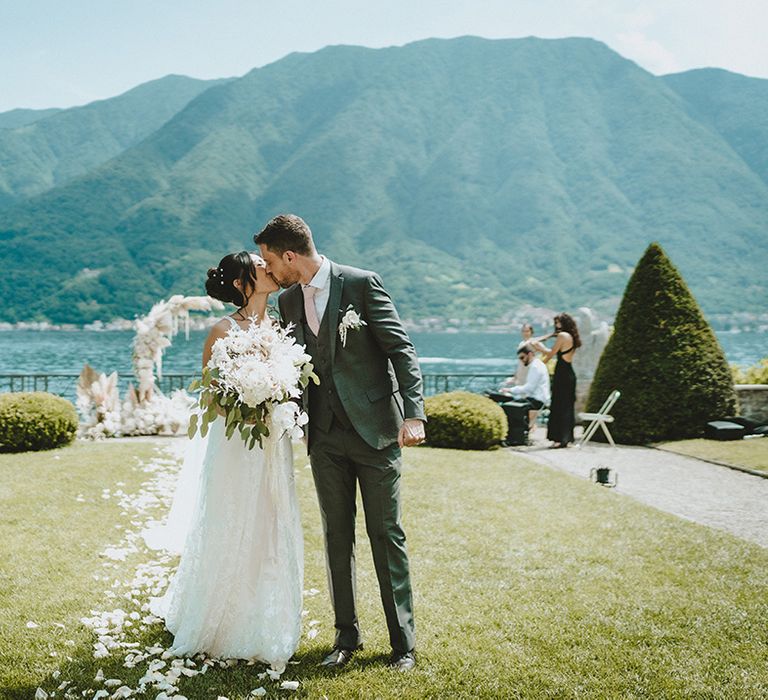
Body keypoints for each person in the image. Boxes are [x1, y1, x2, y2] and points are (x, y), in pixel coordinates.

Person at [255, 214, 426, 673]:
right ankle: (345, 636)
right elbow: (295, 367)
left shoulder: (362, 284)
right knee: (336, 536)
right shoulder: (289, 301)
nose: (269, 270)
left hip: (375, 432)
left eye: (271, 261)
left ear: (290, 255)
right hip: (324, 437)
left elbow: (400, 350)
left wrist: (413, 414)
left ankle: (403, 644)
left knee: (385, 535)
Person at [148, 252, 303, 671]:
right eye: (259, 265)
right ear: (240, 282)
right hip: (237, 443)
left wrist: (279, 399)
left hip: (273, 443)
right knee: (232, 519)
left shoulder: (282, 325)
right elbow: (211, 395)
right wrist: (248, 403)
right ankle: (218, 616)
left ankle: (262, 613)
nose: (269, 267)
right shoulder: (222, 330)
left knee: (270, 522)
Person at [542, 313, 581, 448]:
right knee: (566, 407)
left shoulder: (562, 336)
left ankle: (559, 438)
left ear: (563, 323)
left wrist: (541, 363)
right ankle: (566, 438)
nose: (556, 325)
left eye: (558, 323)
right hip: (568, 373)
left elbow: (552, 353)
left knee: (559, 405)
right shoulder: (570, 336)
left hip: (562, 374)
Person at [507, 344, 551, 432]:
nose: (521, 361)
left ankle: (519, 433)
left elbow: (529, 388)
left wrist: (510, 390)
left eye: (522, 357)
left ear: (530, 354)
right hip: (537, 398)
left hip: (537, 399)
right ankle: (521, 432)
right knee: (513, 404)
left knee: (509, 407)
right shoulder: (537, 364)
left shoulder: (535, 367)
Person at [505, 323, 549, 387]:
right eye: (523, 331)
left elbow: (546, 353)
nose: (525, 333)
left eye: (527, 331)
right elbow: (520, 362)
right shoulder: (521, 344)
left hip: (530, 372)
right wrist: (515, 375)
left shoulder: (535, 343)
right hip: (522, 373)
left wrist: (541, 363)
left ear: (531, 332)